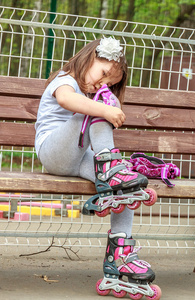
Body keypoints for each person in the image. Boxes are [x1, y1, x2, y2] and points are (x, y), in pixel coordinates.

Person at [35, 37, 161, 299]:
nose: (102, 84)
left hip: (79, 158)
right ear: (90, 57)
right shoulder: (65, 80)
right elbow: (68, 101)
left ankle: (120, 255)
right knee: (99, 109)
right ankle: (109, 168)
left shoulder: (91, 95)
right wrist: (104, 107)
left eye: (109, 83)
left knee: (124, 188)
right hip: (52, 153)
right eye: (103, 74)